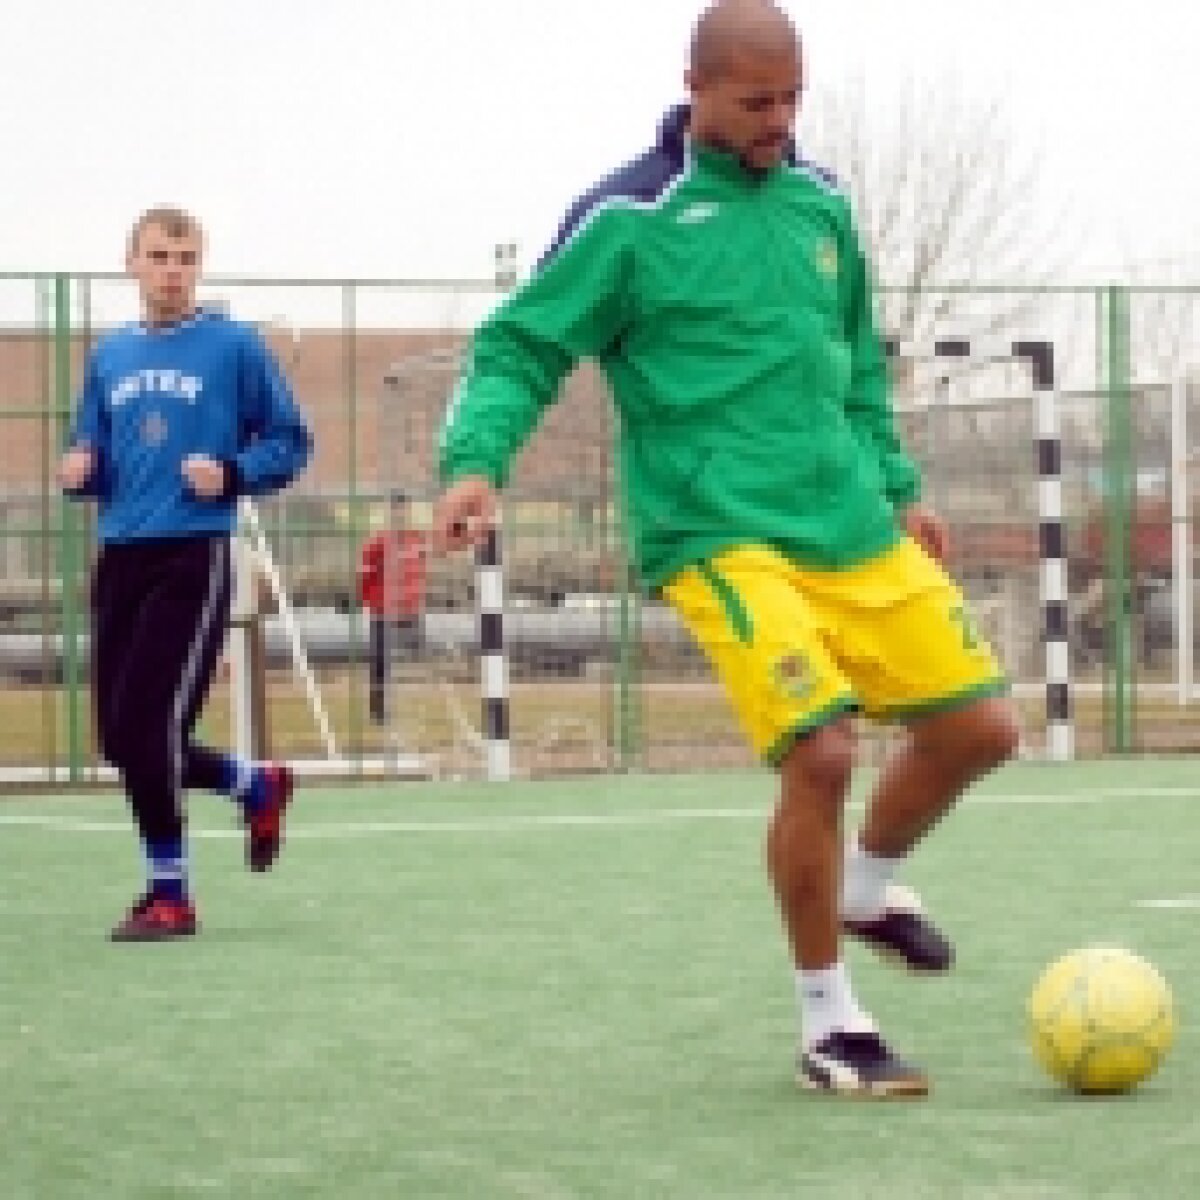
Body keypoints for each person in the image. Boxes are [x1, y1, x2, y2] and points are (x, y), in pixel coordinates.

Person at [434, 1, 1020, 1097]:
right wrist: (478, 462)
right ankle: (828, 1019)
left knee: (981, 729)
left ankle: (865, 884)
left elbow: (853, 361)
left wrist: (896, 489)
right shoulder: (626, 219)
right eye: (758, 101)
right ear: (694, 86)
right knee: (824, 751)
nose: (779, 121)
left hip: (846, 521)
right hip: (719, 532)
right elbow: (519, 345)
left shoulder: (823, 204)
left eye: (794, 98)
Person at [58, 206, 313, 942]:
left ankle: (169, 895)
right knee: (121, 739)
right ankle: (255, 784)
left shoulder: (233, 346)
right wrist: (81, 470)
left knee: (147, 727)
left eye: (186, 256)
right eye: (159, 256)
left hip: (192, 556)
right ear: (130, 262)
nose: (173, 269)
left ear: (199, 265)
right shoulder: (109, 357)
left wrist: (232, 472)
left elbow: (291, 441)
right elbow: (93, 448)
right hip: (121, 558)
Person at [357, 491, 428, 723]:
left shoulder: (417, 539)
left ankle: (411, 707)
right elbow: (364, 577)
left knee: (411, 659)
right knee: (380, 662)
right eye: (395, 509)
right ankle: (378, 711)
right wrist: (370, 603)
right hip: (383, 611)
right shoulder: (376, 543)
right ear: (388, 513)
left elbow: (421, 567)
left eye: (403, 509)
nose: (399, 514)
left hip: (409, 610)